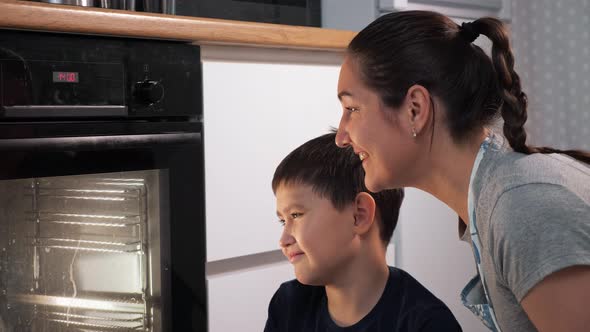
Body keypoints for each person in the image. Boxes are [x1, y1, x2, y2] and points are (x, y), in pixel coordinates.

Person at [334, 10, 590, 332]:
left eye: (352, 109)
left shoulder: (521, 207)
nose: (342, 137)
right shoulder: (498, 198)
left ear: (415, 109)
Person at [264, 132, 462, 332]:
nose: (284, 240)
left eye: (296, 215)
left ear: (359, 215)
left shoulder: (427, 324)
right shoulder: (288, 305)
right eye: (283, 221)